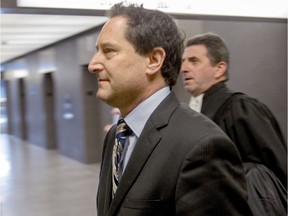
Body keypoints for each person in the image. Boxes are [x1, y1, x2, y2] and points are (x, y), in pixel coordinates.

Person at [88, 3, 252, 216]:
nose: (93, 64)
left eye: (109, 51)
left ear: (154, 60)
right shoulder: (115, 135)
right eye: (97, 52)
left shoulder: (202, 146)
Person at [181, 32, 287, 215]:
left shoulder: (240, 109)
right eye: (183, 61)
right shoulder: (190, 114)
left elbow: (277, 173)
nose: (184, 68)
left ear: (220, 68)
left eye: (194, 61)